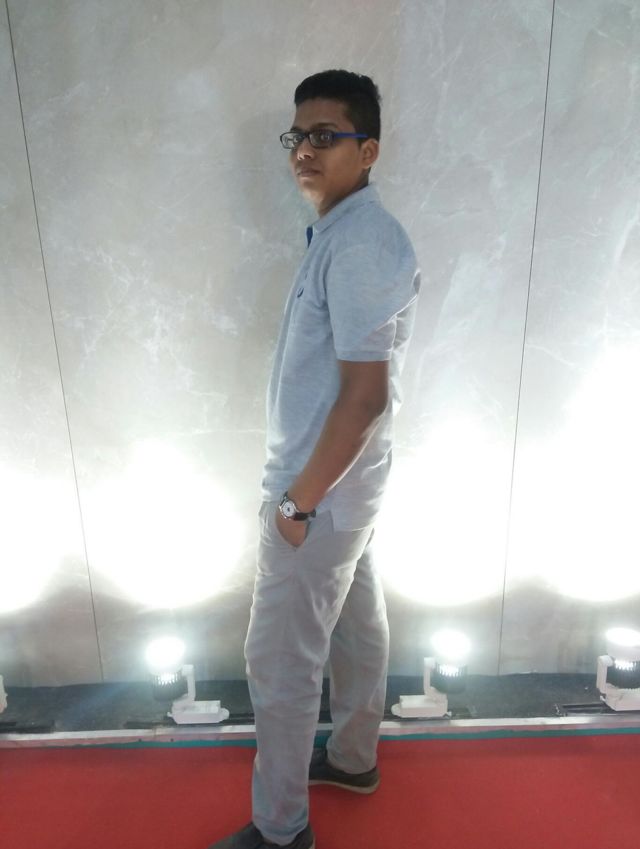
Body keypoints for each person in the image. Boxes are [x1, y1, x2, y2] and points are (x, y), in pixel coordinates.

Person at [208, 69, 420, 849]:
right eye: (298, 136)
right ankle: (354, 757)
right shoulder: (344, 232)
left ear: (367, 150)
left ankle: (280, 829)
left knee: (280, 662)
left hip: (320, 495)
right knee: (357, 623)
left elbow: (364, 397)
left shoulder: (359, 244)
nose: (304, 149)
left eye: (325, 136)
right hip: (347, 488)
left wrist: (297, 502)